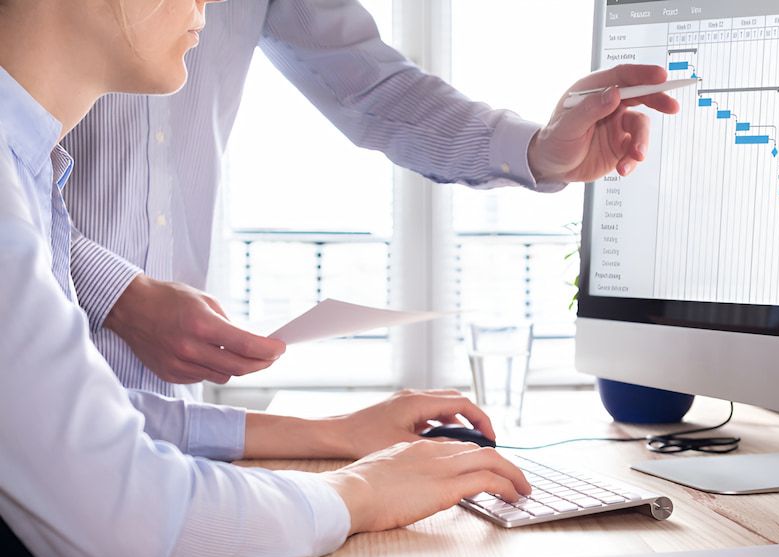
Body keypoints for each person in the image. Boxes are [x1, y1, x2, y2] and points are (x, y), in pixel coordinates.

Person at [0, 1, 533, 557]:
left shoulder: (27, 169)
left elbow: (76, 419)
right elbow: (140, 530)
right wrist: (362, 490)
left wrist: (331, 435)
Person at [63, 0, 679, 399]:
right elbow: (19, 158)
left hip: (168, 399)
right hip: (38, 370)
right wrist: (115, 293)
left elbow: (370, 88)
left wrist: (540, 150)